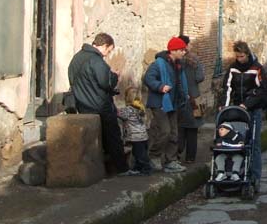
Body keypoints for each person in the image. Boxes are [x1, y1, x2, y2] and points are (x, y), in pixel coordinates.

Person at [67, 32, 130, 175]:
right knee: (112, 137)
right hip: (100, 105)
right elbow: (105, 82)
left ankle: (102, 169)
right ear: (104, 46)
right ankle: (121, 168)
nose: (107, 55)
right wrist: (114, 76)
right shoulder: (96, 61)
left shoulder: (77, 58)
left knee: (95, 139)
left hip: (83, 105)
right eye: (109, 51)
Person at [222, 40, 267, 187]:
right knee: (236, 140)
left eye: (242, 56)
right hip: (237, 110)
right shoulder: (233, 69)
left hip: (253, 109)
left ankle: (255, 175)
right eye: (237, 56)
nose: (240, 59)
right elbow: (228, 88)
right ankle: (236, 171)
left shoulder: (257, 68)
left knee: (254, 142)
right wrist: (225, 107)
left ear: (247, 54)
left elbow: (261, 90)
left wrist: (247, 103)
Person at [143, 37, 188, 174]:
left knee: (174, 133)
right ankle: (154, 156)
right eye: (181, 50)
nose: (184, 52)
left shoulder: (178, 64)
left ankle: (171, 161)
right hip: (160, 102)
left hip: (173, 103)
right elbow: (148, 78)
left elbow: (179, 81)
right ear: (173, 51)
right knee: (165, 131)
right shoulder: (158, 64)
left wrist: (184, 93)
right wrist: (160, 86)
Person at [176, 35, 205, 164]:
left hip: (179, 96)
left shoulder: (176, 59)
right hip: (194, 97)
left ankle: (177, 153)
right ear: (187, 45)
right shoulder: (195, 59)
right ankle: (190, 157)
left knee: (180, 127)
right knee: (192, 129)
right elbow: (200, 77)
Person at [116, 87, 152, 176]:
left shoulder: (128, 109)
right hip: (143, 135)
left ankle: (146, 169)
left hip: (135, 137)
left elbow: (121, 115)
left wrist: (115, 110)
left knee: (140, 155)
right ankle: (137, 168)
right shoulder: (140, 108)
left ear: (127, 97)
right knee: (138, 153)